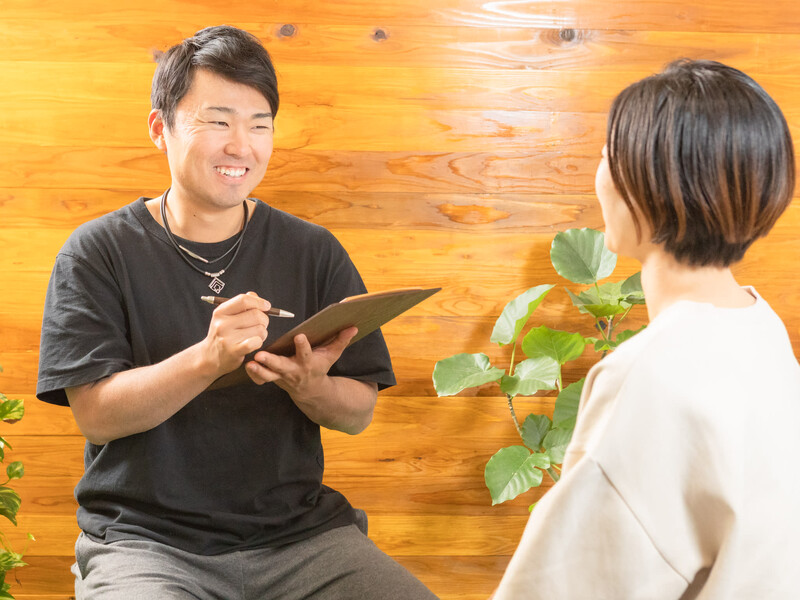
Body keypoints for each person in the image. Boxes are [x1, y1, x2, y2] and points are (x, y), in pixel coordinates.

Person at [36, 25, 438, 600]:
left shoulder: (312, 249)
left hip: (301, 539)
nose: (241, 146)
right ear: (161, 128)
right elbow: (97, 417)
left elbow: (356, 414)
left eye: (259, 125)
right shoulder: (98, 251)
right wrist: (208, 359)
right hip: (147, 545)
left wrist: (309, 387)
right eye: (218, 121)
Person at [493, 60, 800, 599]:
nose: (601, 174)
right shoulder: (759, 326)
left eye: (609, 155)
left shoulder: (651, 374)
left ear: (645, 185)